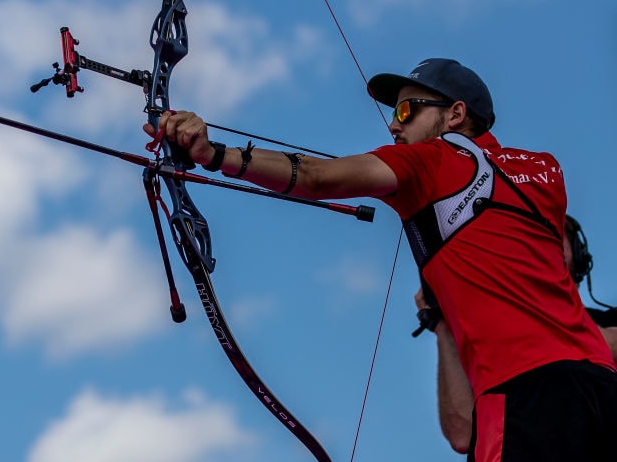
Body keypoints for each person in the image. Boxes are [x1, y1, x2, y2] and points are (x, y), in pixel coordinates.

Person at [147, 58, 617, 461]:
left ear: (455, 114)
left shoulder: (433, 161)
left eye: (408, 110)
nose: (394, 124)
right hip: (602, 386)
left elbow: (315, 177)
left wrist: (214, 154)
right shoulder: (545, 170)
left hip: (523, 396)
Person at [417, 213, 617, 455]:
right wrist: (444, 326)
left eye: (544, 235)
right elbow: (463, 434)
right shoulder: (486, 346)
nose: (531, 247)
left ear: (578, 254)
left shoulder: (608, 323)